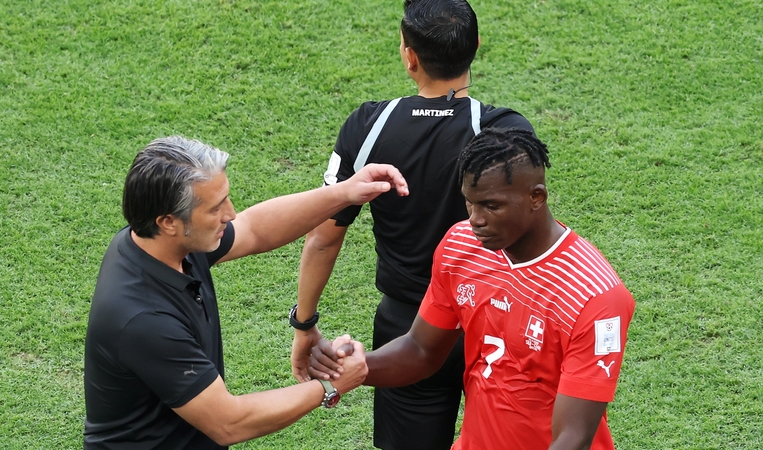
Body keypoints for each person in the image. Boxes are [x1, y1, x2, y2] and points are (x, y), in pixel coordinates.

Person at [289, 1, 534, 448]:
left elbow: (323, 238)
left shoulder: (367, 127)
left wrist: (305, 324)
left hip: (405, 328)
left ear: (410, 56)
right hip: (493, 324)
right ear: (476, 46)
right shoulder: (506, 132)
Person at [310, 128, 636, 450]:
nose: (476, 220)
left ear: (536, 197)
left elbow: (573, 438)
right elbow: (421, 350)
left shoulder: (594, 296)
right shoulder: (460, 246)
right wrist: (357, 367)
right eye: (470, 202)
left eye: (492, 206)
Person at [83, 136, 408, 449]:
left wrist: (345, 192)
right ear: (168, 222)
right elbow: (228, 422)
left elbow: (254, 229)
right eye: (215, 208)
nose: (230, 214)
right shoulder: (144, 319)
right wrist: (330, 385)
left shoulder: (159, 244)